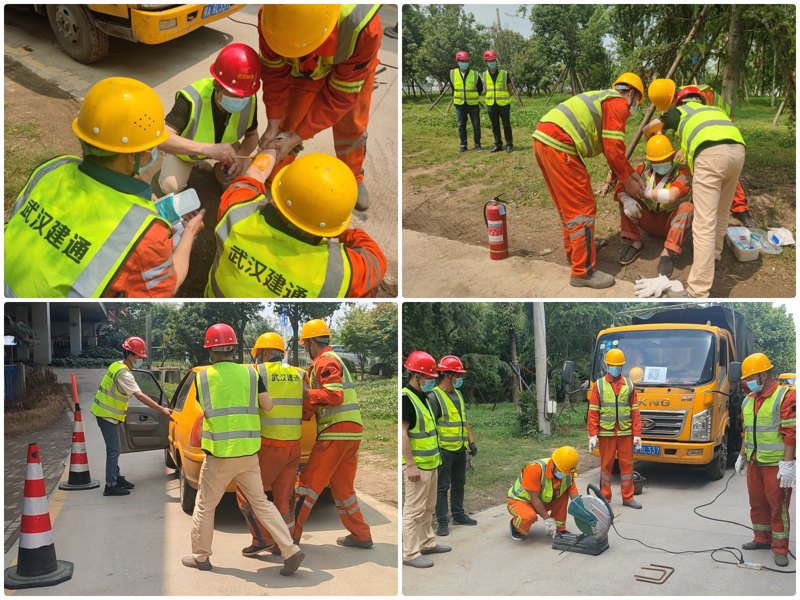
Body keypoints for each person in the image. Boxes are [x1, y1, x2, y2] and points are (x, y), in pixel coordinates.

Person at [4, 77, 205, 298]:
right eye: (151, 146)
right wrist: (189, 233)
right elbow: (168, 287)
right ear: (132, 156)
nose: (155, 151)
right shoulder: (146, 233)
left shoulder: (54, 167)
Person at [182, 324, 304, 575]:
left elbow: (203, 406)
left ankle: (201, 557)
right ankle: (289, 550)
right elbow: (267, 405)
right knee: (261, 502)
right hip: (249, 453)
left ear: (210, 352)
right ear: (234, 349)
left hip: (220, 455)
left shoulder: (203, 377)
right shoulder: (251, 375)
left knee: (205, 505)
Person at [206, 152, 386, 298]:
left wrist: (272, 149)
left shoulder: (238, 212)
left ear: (277, 196)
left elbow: (252, 177)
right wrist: (341, 233)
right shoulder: (337, 272)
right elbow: (376, 259)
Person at [257, 4, 382, 212]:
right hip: (304, 68)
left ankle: (353, 176)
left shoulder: (362, 28)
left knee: (351, 126)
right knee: (290, 120)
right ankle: (274, 173)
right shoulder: (272, 18)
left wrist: (299, 136)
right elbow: (273, 74)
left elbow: (340, 96)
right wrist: (273, 123)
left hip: (351, 67)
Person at [533, 73, 646, 289]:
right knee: (581, 208)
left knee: (568, 208)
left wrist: (632, 174)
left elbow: (614, 152)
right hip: (559, 144)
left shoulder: (604, 98)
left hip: (544, 139)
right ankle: (582, 272)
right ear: (631, 94)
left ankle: (576, 252)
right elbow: (613, 149)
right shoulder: (618, 103)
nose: (633, 110)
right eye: (637, 104)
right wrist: (628, 181)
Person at [644, 83, 746, 298]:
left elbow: (648, 128)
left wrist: (657, 134)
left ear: (679, 100)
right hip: (738, 151)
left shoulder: (679, 111)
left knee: (703, 222)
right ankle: (714, 258)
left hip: (710, 155)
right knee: (722, 212)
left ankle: (698, 291)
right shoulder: (714, 110)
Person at [293, 319, 373, 549]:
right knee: (343, 489)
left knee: (307, 485)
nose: (304, 350)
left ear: (309, 343)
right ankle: (361, 535)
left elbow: (334, 395)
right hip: (351, 433)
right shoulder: (330, 361)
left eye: (304, 345)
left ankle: (290, 537)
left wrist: (307, 392)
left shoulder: (325, 361)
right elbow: (313, 405)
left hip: (336, 433)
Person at [158, 43, 261, 195]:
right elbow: (162, 137)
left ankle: (220, 172)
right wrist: (207, 149)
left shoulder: (249, 99)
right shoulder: (191, 98)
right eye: (234, 94)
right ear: (216, 84)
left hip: (227, 151)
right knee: (171, 186)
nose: (240, 99)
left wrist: (240, 157)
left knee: (241, 176)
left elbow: (252, 135)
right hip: (186, 152)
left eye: (243, 95)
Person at [236, 332, 304, 557]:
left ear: (264, 353)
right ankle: (286, 542)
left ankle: (261, 540)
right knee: (283, 498)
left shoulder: (258, 372)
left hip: (269, 444)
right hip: (294, 446)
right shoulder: (298, 374)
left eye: (258, 354)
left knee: (248, 493)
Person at [735, 352, 796, 568]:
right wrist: (741, 456)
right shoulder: (748, 400)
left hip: (775, 465)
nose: (748, 383)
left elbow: (791, 432)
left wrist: (788, 465)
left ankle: (780, 548)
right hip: (754, 462)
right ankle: (761, 539)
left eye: (751, 378)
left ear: (764, 375)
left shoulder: (785, 396)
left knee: (777, 507)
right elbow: (745, 431)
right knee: (757, 504)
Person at [91, 336, 172, 496]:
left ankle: (116, 477)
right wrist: (161, 409)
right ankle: (111, 485)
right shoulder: (124, 375)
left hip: (107, 414)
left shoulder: (116, 365)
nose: (140, 360)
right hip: (107, 415)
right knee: (113, 450)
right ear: (130, 355)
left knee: (116, 448)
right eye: (139, 357)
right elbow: (140, 396)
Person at [615, 134, 693, 277]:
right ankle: (636, 244)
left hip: (672, 223)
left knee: (688, 208)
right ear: (650, 160)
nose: (661, 163)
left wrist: (645, 192)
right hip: (649, 220)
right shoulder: (643, 169)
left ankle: (667, 253)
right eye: (657, 161)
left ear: (672, 157)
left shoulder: (682, 171)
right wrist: (625, 198)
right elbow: (621, 185)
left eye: (665, 160)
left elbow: (673, 195)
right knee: (625, 199)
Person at [675, 83, 752, 227]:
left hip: (718, 129)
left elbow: (700, 125)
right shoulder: (690, 96)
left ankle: (740, 210)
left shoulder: (703, 96)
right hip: (718, 128)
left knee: (719, 170)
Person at [401, 351, 449, 568]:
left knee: (429, 507)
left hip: (431, 464)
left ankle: (427, 543)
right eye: (428, 377)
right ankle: (410, 554)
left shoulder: (424, 398)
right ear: (415, 375)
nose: (431, 381)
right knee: (413, 511)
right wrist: (410, 464)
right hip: (417, 467)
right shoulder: (406, 399)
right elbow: (402, 434)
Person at [588, 348, 643, 509]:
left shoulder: (629, 385)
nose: (616, 368)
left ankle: (628, 497)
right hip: (606, 433)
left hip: (625, 433)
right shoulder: (599, 385)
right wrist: (592, 434)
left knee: (627, 466)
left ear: (622, 367)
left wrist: (637, 433)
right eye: (613, 365)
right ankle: (605, 498)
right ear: (607, 365)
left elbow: (635, 411)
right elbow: (593, 411)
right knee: (606, 467)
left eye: (618, 366)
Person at [429, 355, 478, 536]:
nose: (459, 379)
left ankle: (458, 514)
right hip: (444, 451)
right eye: (457, 375)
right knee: (442, 487)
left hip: (459, 449)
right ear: (447, 375)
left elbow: (464, 421)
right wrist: (436, 450)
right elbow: (430, 426)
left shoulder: (457, 394)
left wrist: (471, 442)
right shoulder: (434, 397)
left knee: (459, 483)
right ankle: (442, 521)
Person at [507, 446, 580, 540]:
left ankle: (559, 529)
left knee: (563, 494)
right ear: (554, 463)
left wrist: (584, 512)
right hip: (520, 500)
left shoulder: (567, 471)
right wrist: (548, 520)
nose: (564, 474)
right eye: (561, 471)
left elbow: (575, 496)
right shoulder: (535, 469)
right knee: (528, 516)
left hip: (541, 500)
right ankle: (515, 527)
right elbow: (534, 498)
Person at [450, 51, 483, 152]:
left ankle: (477, 145)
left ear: (469, 61)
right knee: (461, 126)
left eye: (466, 61)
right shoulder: (452, 73)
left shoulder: (475, 74)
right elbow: (453, 87)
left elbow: (480, 88)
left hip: (473, 104)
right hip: (459, 105)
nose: (464, 62)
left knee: (476, 125)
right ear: (458, 62)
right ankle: (463, 145)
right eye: (462, 61)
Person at [482, 50, 514, 153]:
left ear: (496, 61)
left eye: (493, 60)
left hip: (504, 104)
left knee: (506, 124)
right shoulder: (484, 75)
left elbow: (509, 87)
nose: (492, 62)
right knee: (495, 125)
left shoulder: (504, 73)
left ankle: (509, 144)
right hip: (491, 104)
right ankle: (498, 145)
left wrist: (506, 95)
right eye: (490, 61)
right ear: (486, 62)